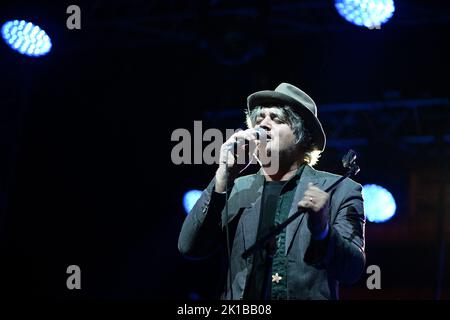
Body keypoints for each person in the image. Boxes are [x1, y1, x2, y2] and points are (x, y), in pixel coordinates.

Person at [178, 83, 366, 300]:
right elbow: (190, 247)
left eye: (276, 119)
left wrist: (322, 230)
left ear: (302, 135)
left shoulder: (340, 189)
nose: (263, 125)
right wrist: (222, 176)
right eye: (258, 120)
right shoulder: (237, 188)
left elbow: (352, 270)